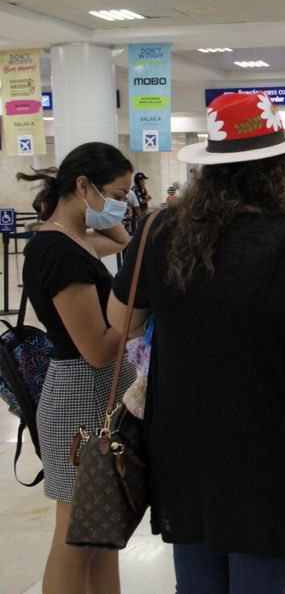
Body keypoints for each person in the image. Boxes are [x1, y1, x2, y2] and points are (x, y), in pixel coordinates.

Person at [107, 92, 285, 593]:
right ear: (279, 170)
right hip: (268, 449)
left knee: (196, 581)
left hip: (182, 444)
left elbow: (122, 322)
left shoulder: (161, 231)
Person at [18, 143, 135, 594]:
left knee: (104, 538)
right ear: (83, 186)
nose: (123, 204)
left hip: (96, 399)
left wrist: (112, 215)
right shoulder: (58, 252)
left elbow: (126, 244)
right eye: (118, 193)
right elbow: (97, 349)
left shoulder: (74, 239)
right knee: (76, 540)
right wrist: (136, 321)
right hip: (79, 404)